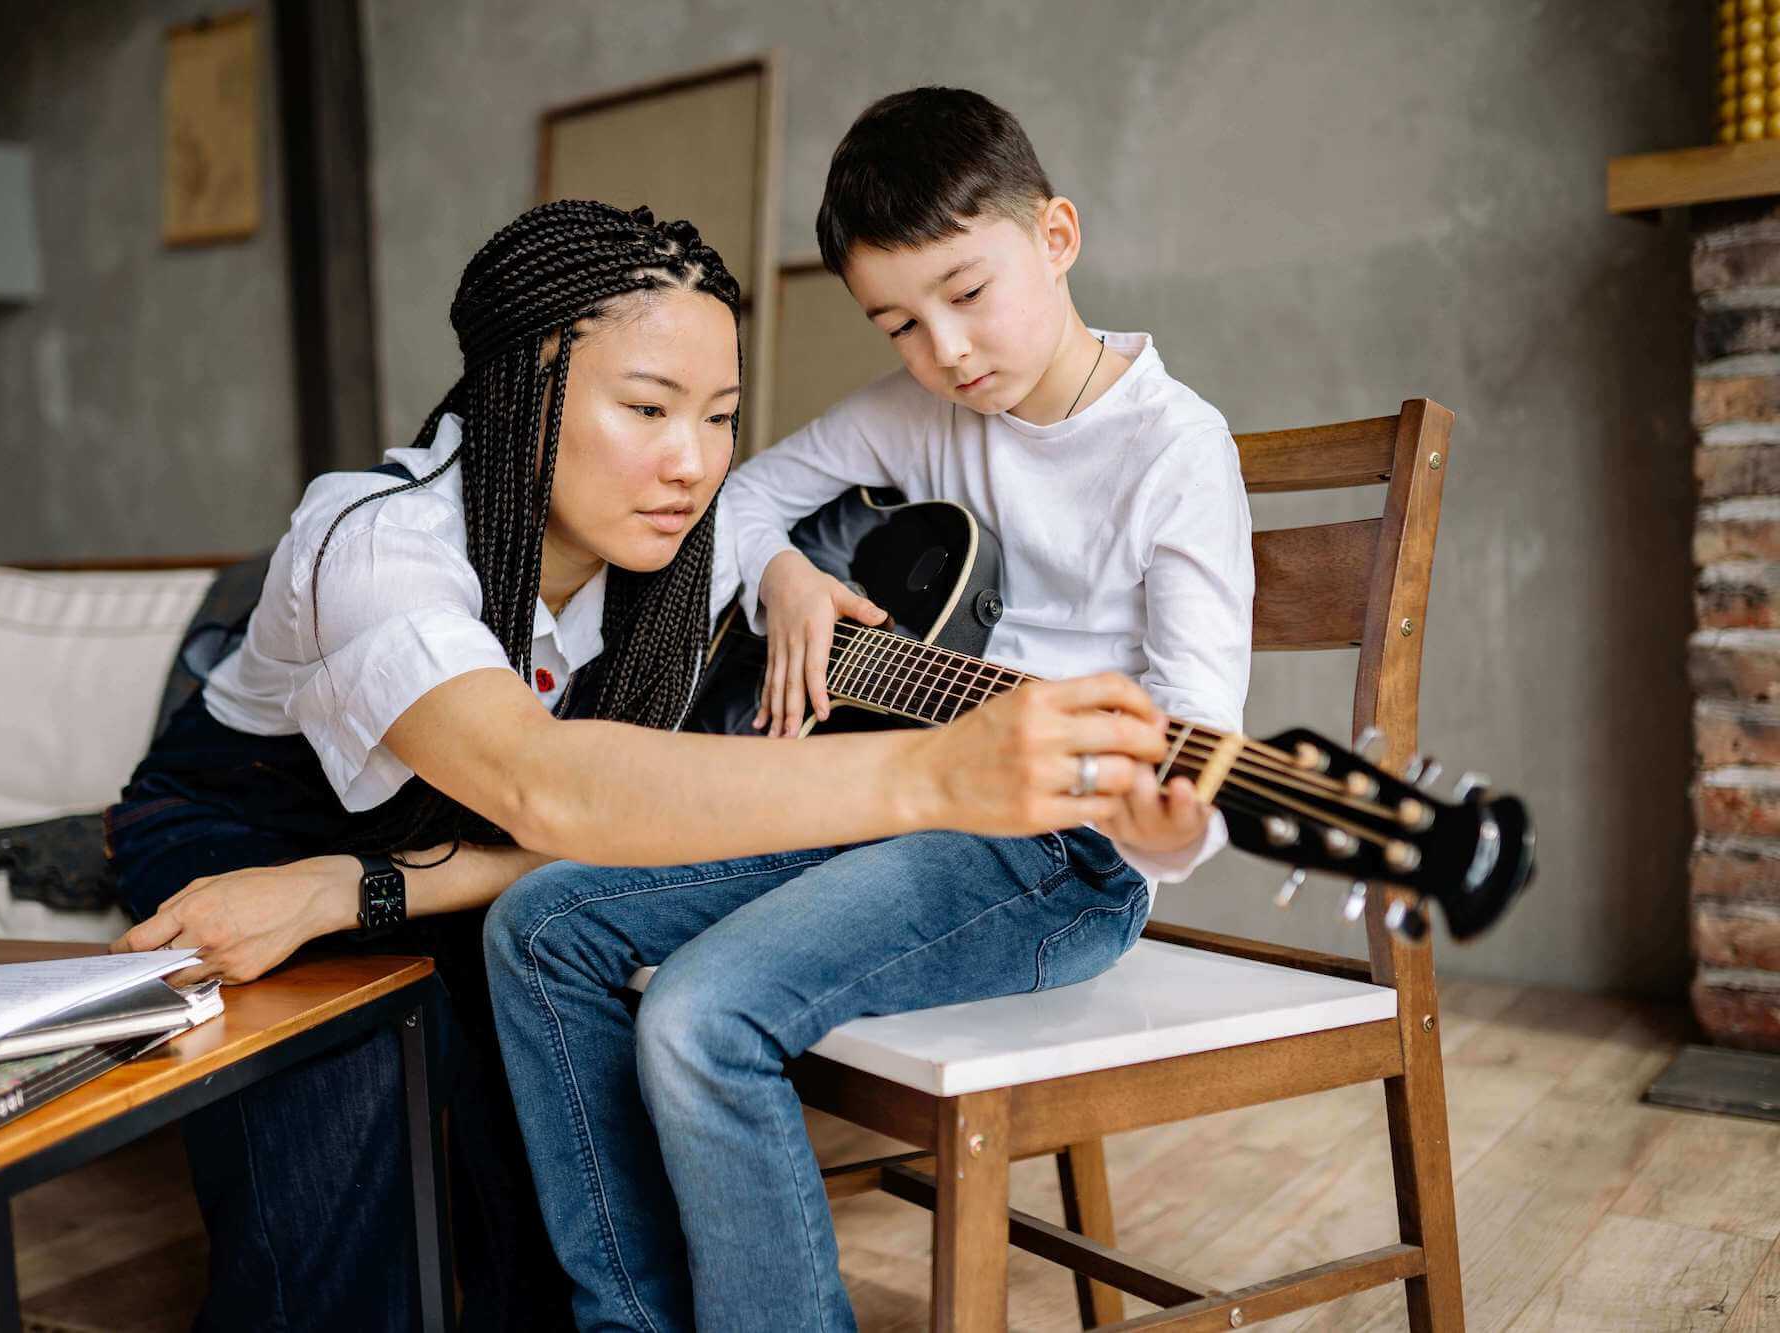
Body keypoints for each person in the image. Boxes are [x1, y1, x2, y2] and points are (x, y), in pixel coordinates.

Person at [104, 198, 1170, 1331]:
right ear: (519, 399)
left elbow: (595, 824)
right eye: (646, 408)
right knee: (346, 1102)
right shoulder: (373, 539)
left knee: (529, 1113)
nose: (692, 463)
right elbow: (545, 783)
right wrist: (934, 776)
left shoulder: (685, 560)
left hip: (475, 851)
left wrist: (786, 577)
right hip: (264, 825)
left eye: (717, 417)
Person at [482, 88, 1255, 1332]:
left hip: (1057, 858)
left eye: (965, 293)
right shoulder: (923, 414)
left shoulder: (1175, 450)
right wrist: (789, 574)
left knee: (698, 1013)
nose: (943, 350)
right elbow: (737, 502)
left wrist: (1165, 826)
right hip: (884, 797)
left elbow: (1194, 745)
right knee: (538, 925)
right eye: (898, 322)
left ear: (1055, 236)